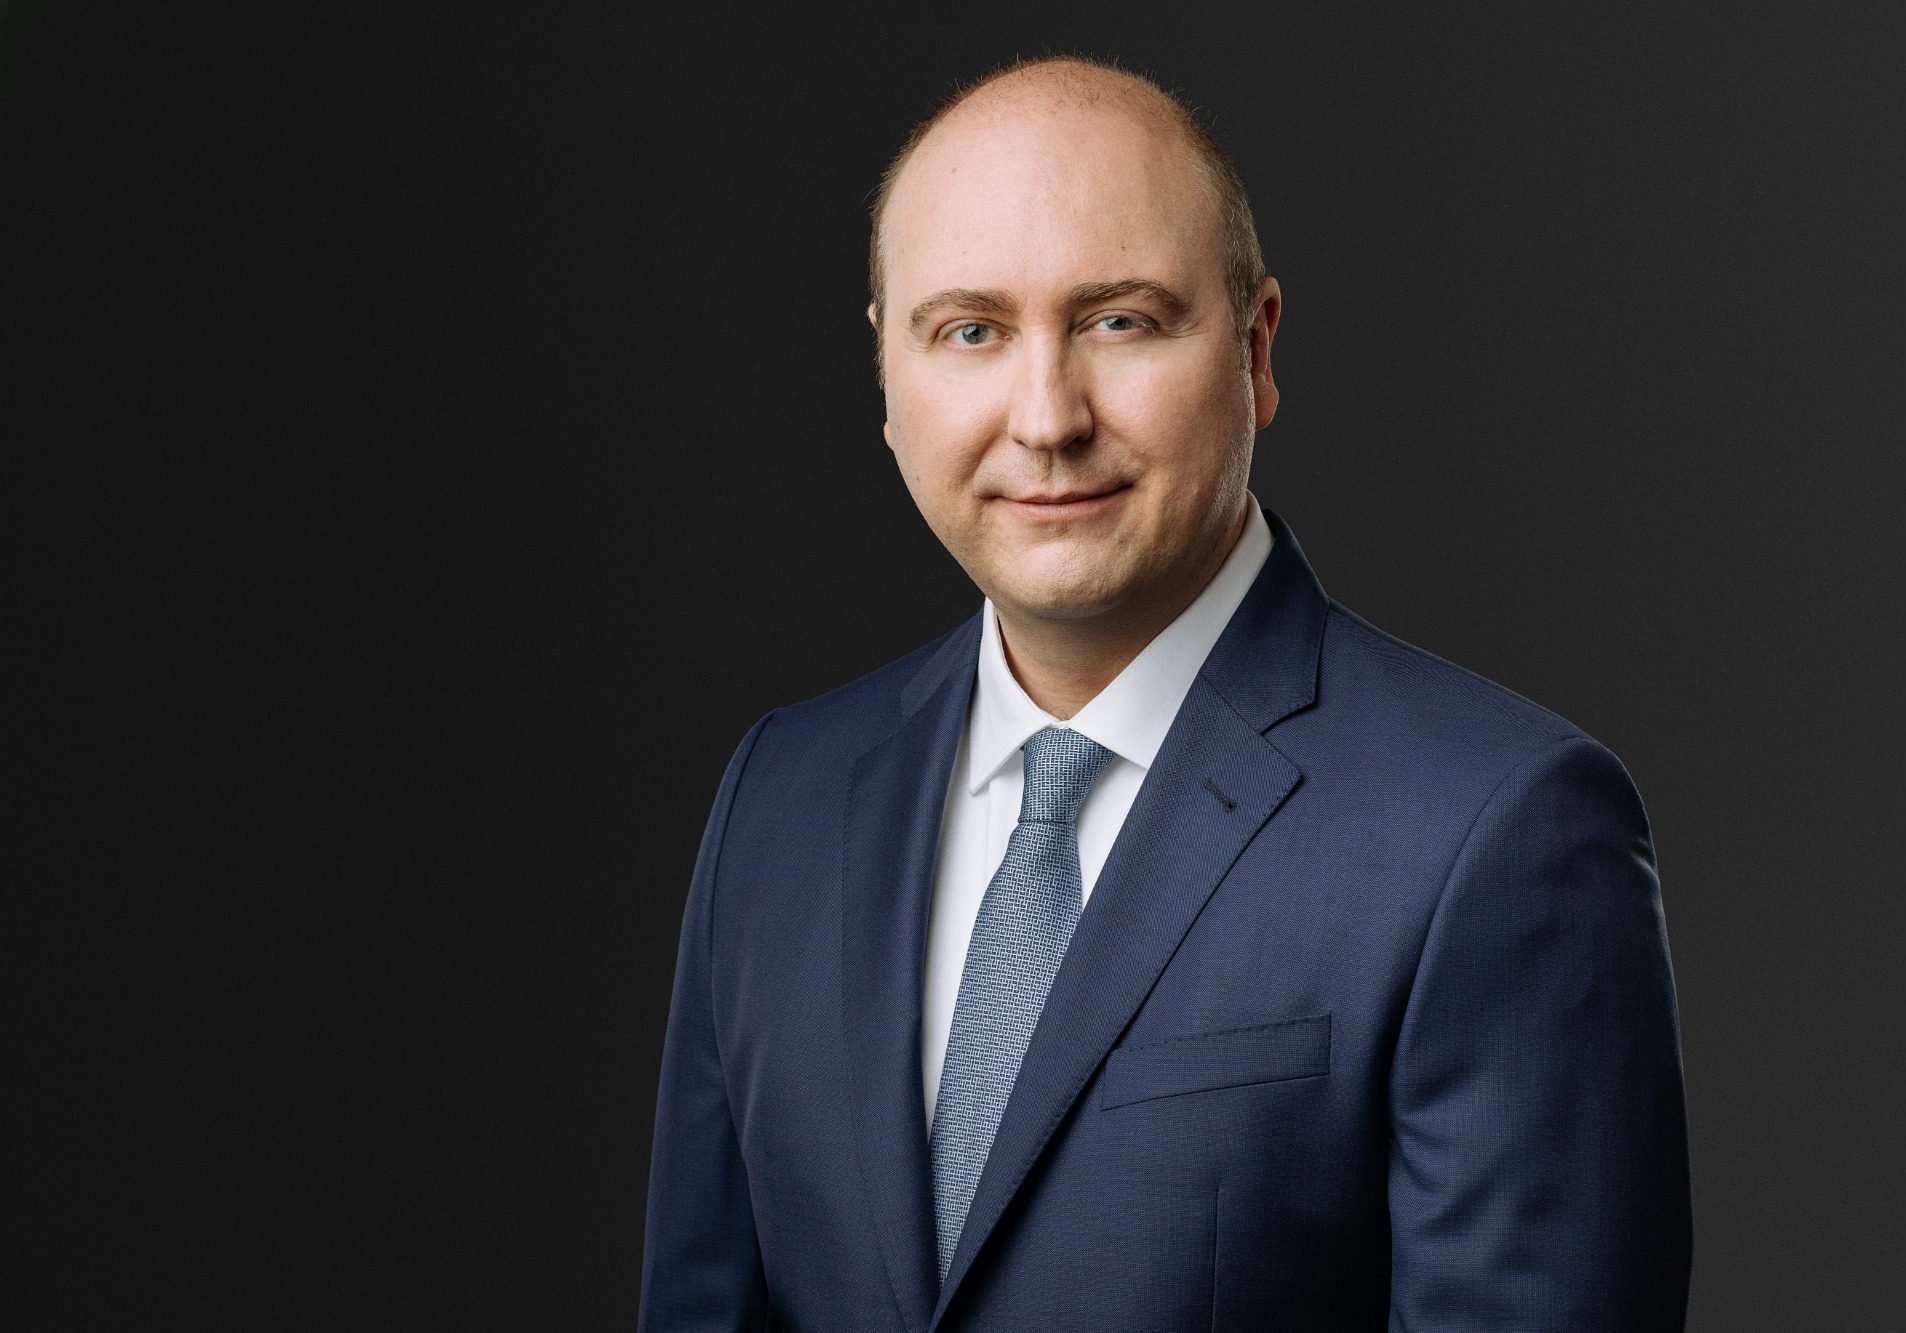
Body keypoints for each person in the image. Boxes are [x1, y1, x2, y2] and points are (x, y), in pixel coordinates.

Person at [640, 53, 1691, 1332]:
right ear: (886, 375)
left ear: (1255, 348)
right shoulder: (779, 800)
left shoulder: (1495, 831)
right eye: (970, 331)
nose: (1045, 418)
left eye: (1118, 322)